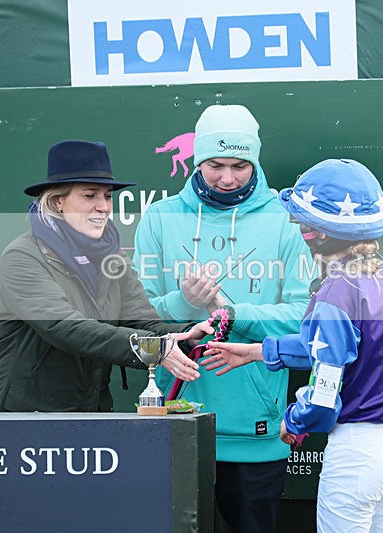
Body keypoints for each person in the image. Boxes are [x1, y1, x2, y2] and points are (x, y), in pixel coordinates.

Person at [201, 159, 383, 532]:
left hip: (359, 453)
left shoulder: (337, 290)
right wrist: (259, 352)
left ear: (317, 234)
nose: (298, 232)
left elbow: (323, 394)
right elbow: (343, 349)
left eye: (301, 225)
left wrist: (295, 420)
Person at [132, 105, 311, 532]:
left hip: (255, 431)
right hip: (172, 426)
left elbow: (305, 318)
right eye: (215, 165)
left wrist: (234, 313)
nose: (227, 178)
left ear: (255, 161)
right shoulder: (160, 218)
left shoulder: (286, 219)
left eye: (240, 165)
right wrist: (181, 302)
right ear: (197, 161)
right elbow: (133, 318)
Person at [0, 140, 210, 412]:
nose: (103, 206)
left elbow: (144, 322)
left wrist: (187, 335)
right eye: (90, 196)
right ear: (58, 201)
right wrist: (154, 348)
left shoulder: (112, 257)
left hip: (94, 415)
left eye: (107, 196)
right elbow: (65, 328)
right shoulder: (23, 255)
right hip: (26, 418)